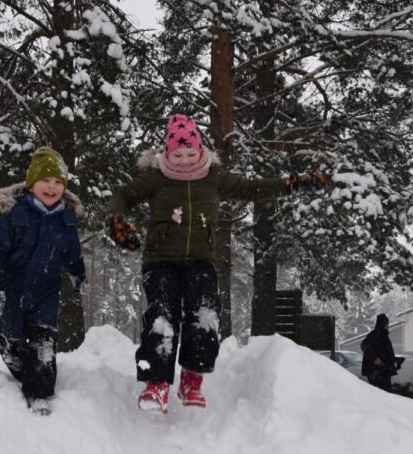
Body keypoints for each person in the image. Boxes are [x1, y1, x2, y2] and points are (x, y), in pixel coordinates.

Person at [106, 114, 328, 414]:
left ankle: (192, 378)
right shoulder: (156, 177)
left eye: (190, 153)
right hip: (160, 261)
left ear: (201, 151)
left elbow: (252, 188)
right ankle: (156, 383)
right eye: (177, 154)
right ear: (167, 154)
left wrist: (291, 184)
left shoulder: (214, 176)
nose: (184, 160)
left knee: (205, 316)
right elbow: (122, 195)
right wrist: (117, 219)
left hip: (201, 260)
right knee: (162, 318)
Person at [0, 147, 86, 416]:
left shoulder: (66, 219)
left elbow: (72, 250)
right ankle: (15, 357)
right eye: (45, 182)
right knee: (12, 340)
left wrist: (78, 272)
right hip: (13, 289)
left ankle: (40, 394)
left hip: (46, 292)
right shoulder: (14, 214)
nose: (51, 187)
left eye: (58, 183)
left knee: (43, 344)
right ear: (31, 185)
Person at [360, 314, 398, 392]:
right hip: (378, 372)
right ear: (383, 324)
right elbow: (364, 346)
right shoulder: (375, 335)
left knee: (385, 395)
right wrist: (374, 358)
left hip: (384, 371)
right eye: (387, 324)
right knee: (382, 395)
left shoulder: (382, 335)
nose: (388, 326)